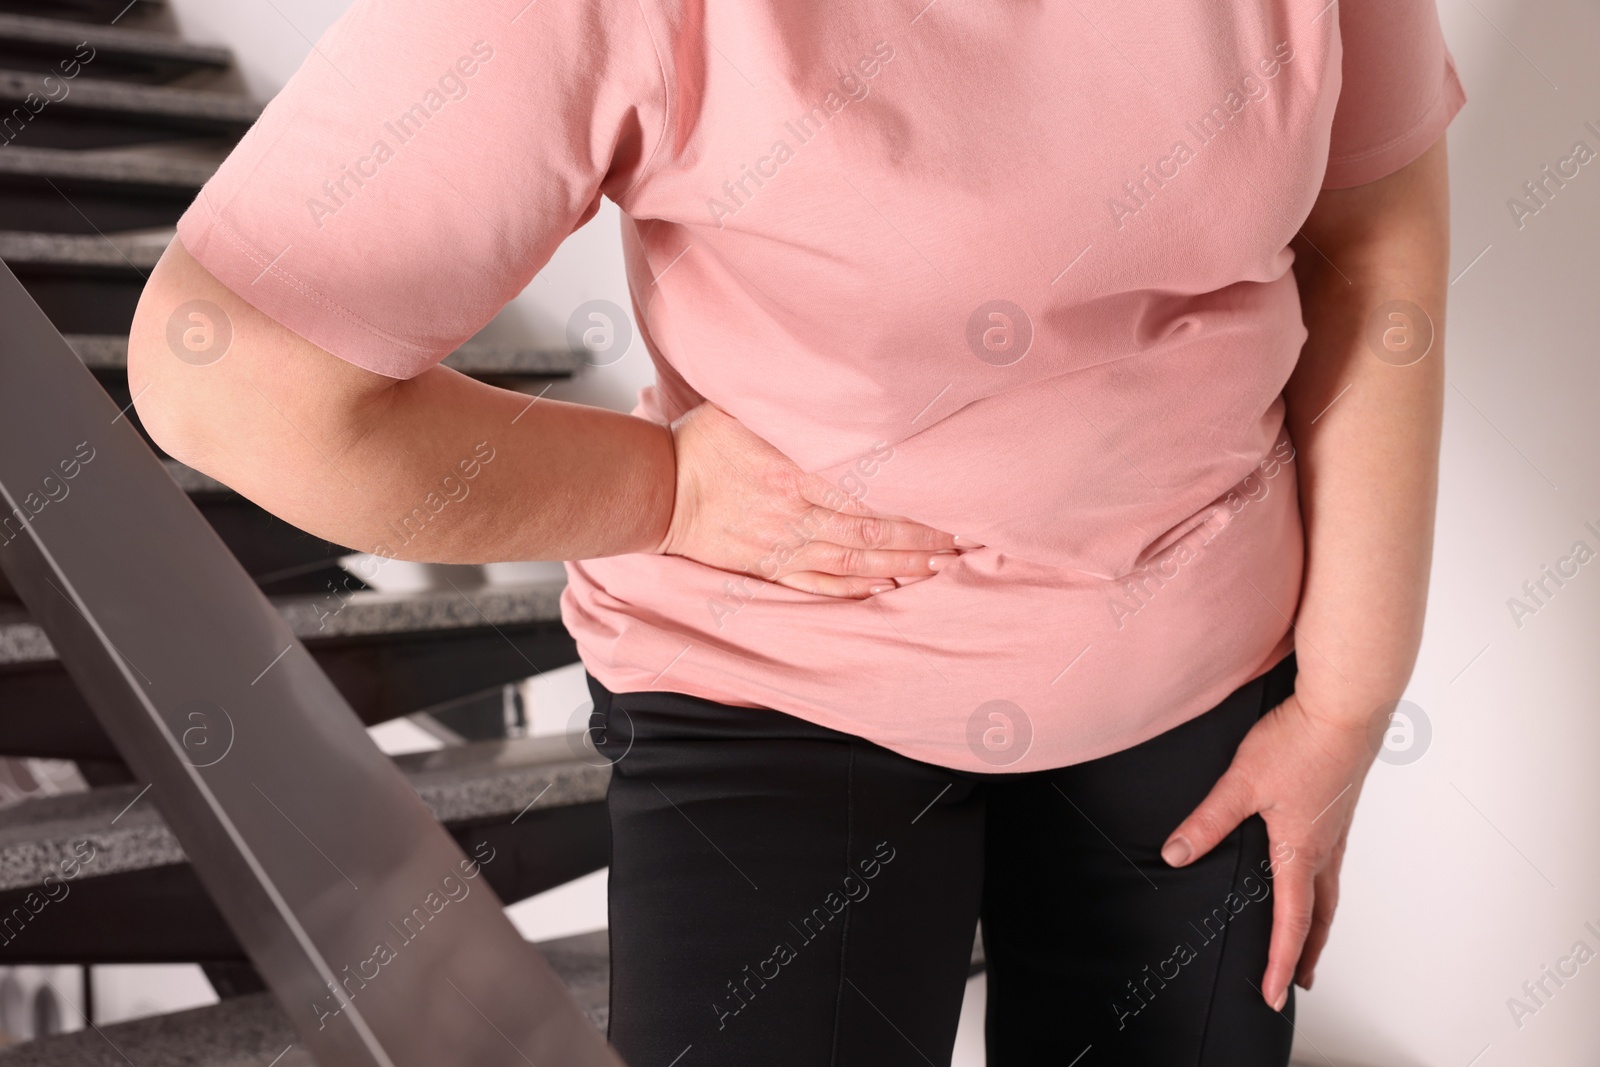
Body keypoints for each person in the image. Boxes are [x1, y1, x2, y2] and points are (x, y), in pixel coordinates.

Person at [129, 1, 1464, 1063]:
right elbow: (230, 371)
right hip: (775, 689)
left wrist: (1348, 701)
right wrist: (665, 490)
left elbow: (1373, 235)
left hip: (1196, 676)